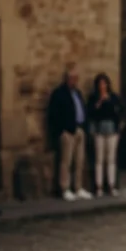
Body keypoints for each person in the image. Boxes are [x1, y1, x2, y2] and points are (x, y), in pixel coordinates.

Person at [48, 67, 93, 201]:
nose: (75, 81)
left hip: (79, 129)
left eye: (77, 78)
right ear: (67, 79)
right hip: (67, 131)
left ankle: (78, 187)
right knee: (66, 161)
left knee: (79, 161)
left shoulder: (78, 93)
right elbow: (54, 114)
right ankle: (65, 187)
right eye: (73, 78)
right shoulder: (59, 93)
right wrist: (61, 130)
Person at [87, 73, 124, 197]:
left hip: (111, 130)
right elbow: (92, 112)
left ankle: (111, 184)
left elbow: (117, 112)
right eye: (100, 84)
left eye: (104, 84)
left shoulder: (113, 97)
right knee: (99, 159)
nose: (102, 86)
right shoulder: (94, 98)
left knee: (111, 158)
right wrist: (99, 102)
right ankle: (99, 185)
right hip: (99, 130)